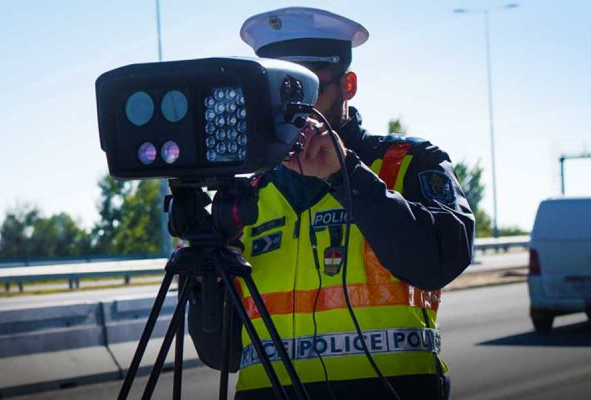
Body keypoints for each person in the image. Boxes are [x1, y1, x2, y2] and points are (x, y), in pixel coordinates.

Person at [189, 7, 475, 400]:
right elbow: (221, 354)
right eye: (277, 94)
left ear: (348, 85)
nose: (291, 110)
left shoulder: (408, 162)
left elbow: (439, 261)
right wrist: (207, 280)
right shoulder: (244, 195)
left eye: (306, 91)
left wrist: (345, 175)